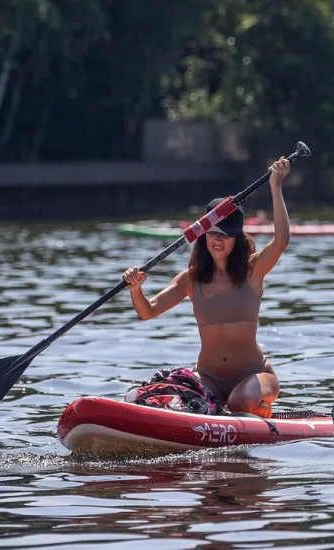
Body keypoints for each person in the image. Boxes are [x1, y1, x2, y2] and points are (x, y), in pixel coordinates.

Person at [122, 156, 292, 418]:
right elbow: (148, 311)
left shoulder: (252, 270)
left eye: (226, 235)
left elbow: (281, 241)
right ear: (203, 235)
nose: (218, 240)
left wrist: (276, 185)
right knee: (176, 400)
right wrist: (136, 289)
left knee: (239, 402)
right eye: (213, 233)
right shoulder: (190, 279)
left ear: (237, 239)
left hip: (254, 375)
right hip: (208, 378)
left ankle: (259, 408)